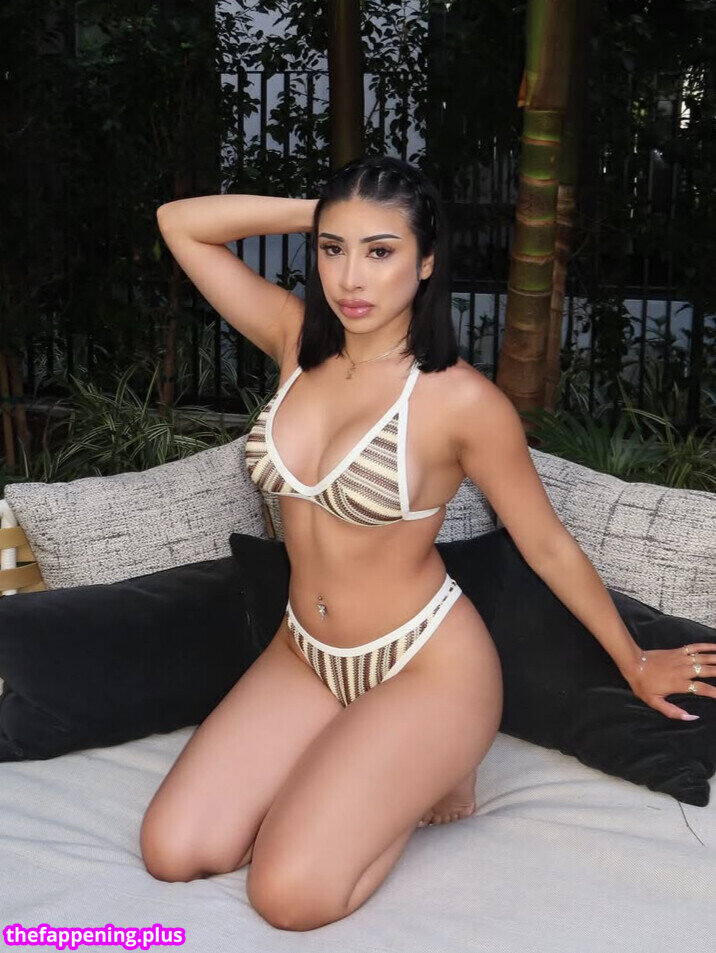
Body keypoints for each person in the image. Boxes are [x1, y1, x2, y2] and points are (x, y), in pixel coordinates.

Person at [138, 154, 715, 931]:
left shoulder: (460, 402)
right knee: (174, 850)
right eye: (333, 248)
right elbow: (180, 224)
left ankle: (434, 764)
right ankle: (380, 768)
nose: (351, 277)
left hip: (425, 668)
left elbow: (546, 543)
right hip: (304, 651)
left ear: (427, 260)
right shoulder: (293, 339)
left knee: (287, 895)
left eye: (381, 251)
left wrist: (634, 659)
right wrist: (323, 207)